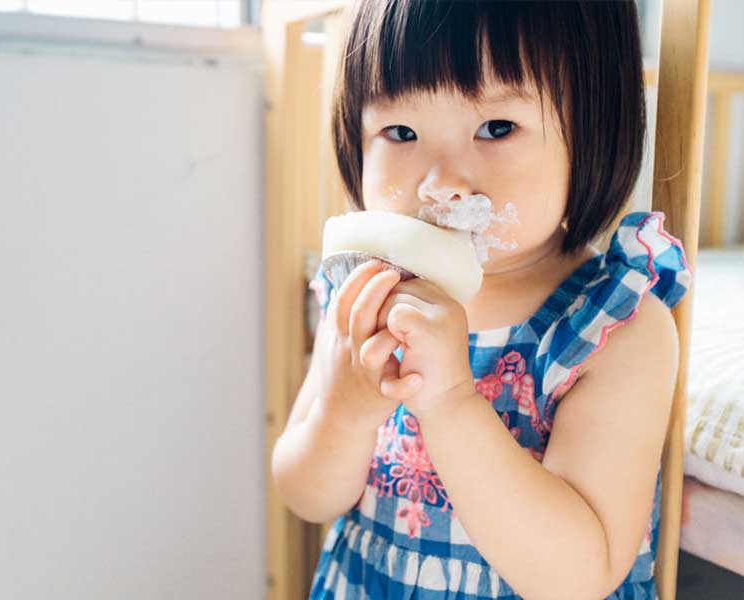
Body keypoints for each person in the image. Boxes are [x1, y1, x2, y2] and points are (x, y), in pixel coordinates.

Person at [271, 1, 692, 598]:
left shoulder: (612, 326)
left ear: (594, 132)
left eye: (496, 129)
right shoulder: (367, 293)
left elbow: (580, 574)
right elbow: (304, 494)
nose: (439, 184)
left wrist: (450, 405)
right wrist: (346, 411)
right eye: (400, 132)